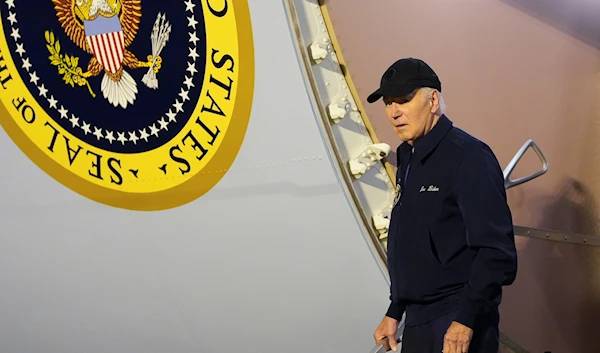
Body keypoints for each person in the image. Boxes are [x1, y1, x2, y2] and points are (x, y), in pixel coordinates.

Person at [368, 58, 518, 353]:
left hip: (456, 319)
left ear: (433, 100)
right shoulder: (408, 157)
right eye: (388, 103)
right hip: (419, 320)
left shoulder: (469, 156)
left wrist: (466, 320)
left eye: (404, 100)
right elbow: (412, 241)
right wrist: (395, 309)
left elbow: (496, 252)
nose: (394, 112)